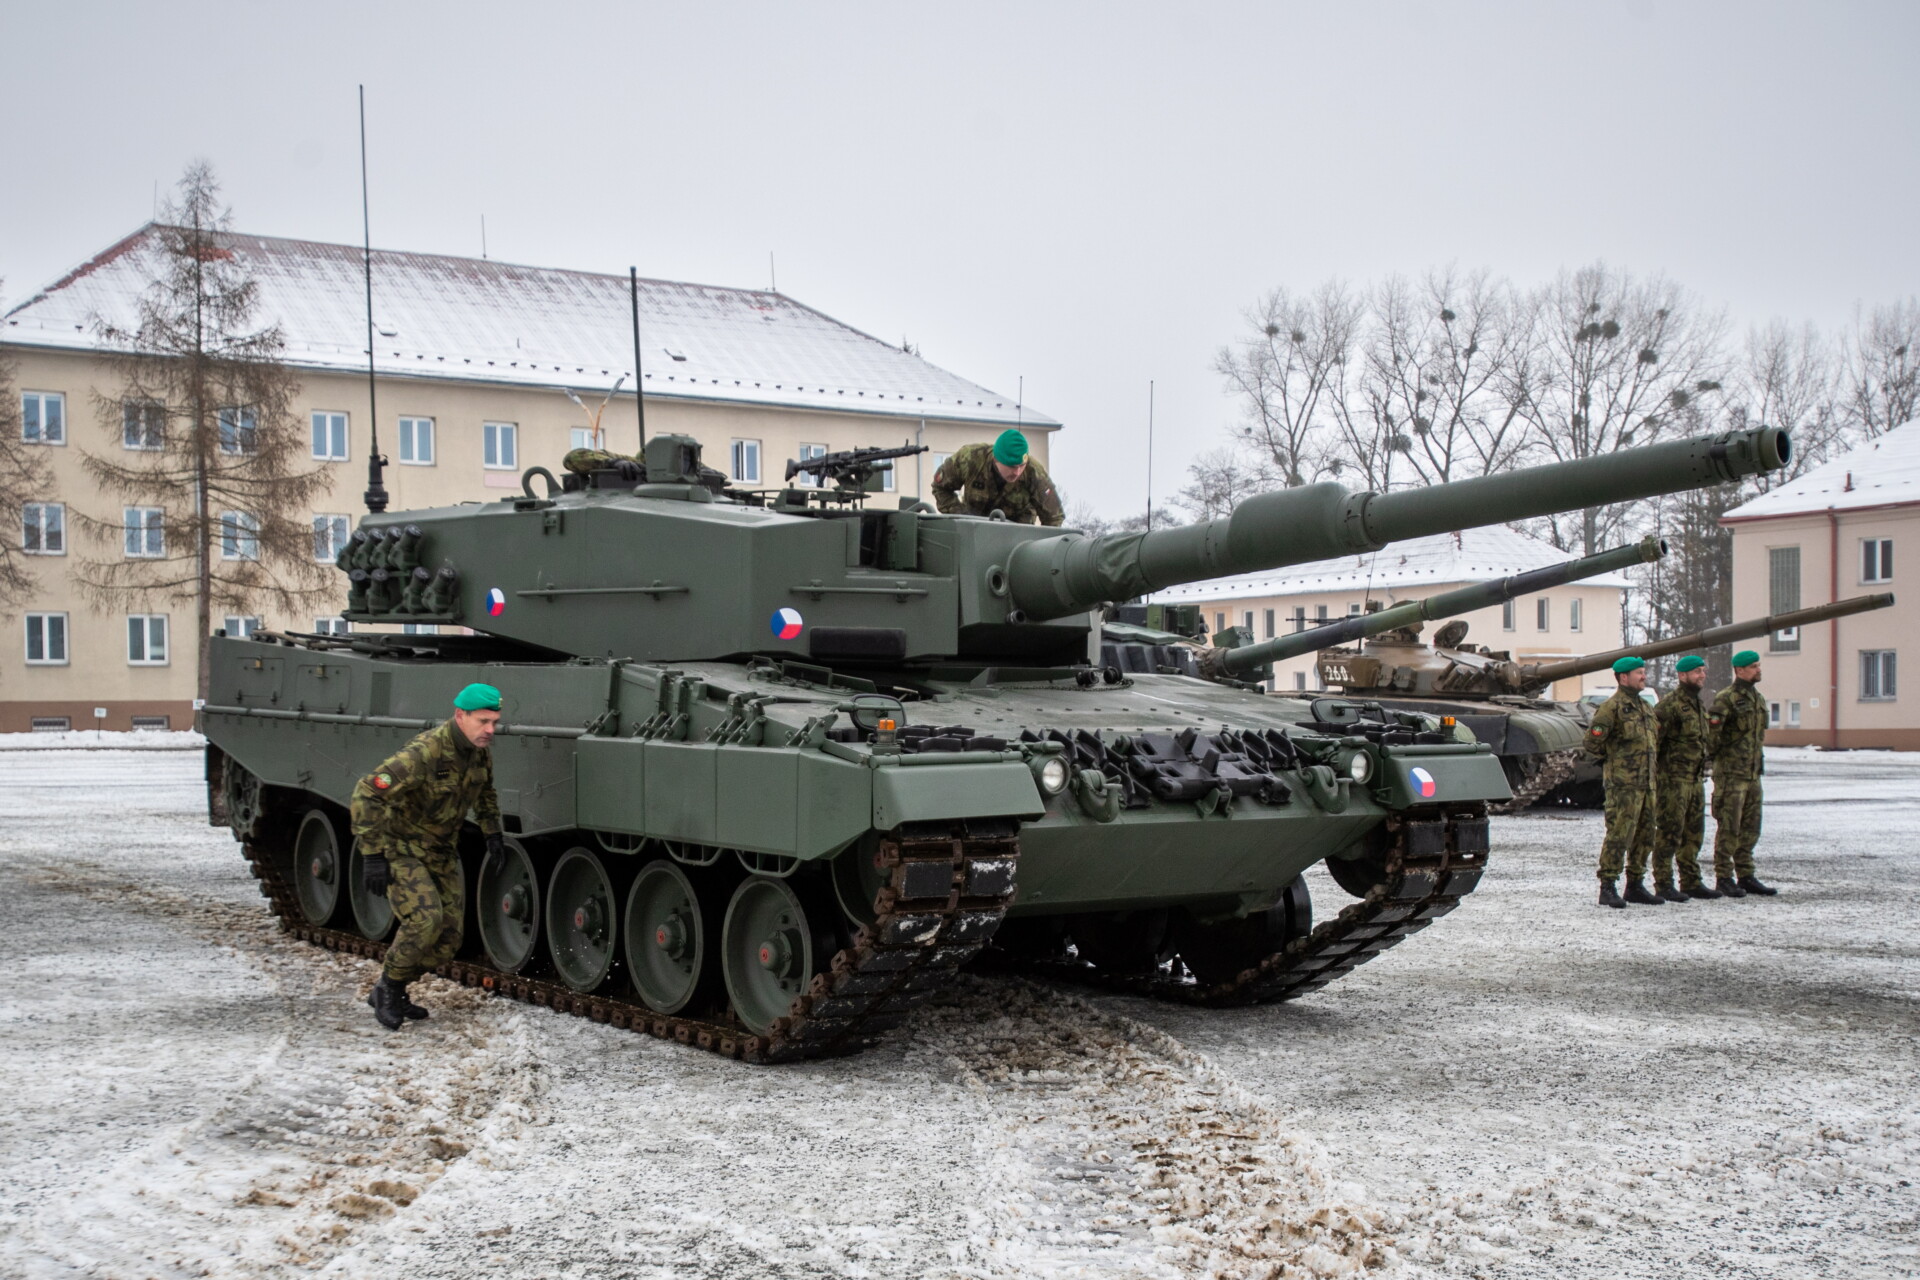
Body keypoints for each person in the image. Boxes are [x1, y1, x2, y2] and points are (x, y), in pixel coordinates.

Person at [350, 682, 508, 1030]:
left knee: (448, 941)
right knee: (425, 921)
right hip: (402, 849)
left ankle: (395, 987)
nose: (490, 730)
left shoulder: (478, 752)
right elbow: (367, 792)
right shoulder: (425, 752)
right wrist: (373, 854)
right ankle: (388, 989)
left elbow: (484, 792)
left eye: (495, 722)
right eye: (483, 721)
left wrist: (491, 831)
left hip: (440, 851)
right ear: (460, 715)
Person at [1586, 655, 1661, 909]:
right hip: (1623, 786)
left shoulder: (1645, 708)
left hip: (1647, 784)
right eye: (1639, 673)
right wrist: (1616, 764)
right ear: (1623, 677)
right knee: (1619, 835)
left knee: (1645, 835)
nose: (1643, 676)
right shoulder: (1611, 708)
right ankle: (1608, 886)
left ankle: (1635, 885)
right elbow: (1592, 743)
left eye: (1643, 672)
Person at [1707, 650, 1777, 898]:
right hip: (1731, 775)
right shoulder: (1726, 699)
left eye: (1758, 665)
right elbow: (1712, 738)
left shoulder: (1757, 699)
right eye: (1753, 666)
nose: (1758, 670)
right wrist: (1720, 764)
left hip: (1752, 774)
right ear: (1739, 670)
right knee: (1729, 826)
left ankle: (1746, 874)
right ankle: (1724, 876)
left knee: (1751, 826)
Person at [1653, 654, 1716, 901]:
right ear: (1682, 676)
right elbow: (1655, 744)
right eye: (1697, 672)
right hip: (1673, 781)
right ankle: (1664, 883)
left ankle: (1690, 881)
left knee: (1693, 832)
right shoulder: (1669, 707)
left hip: (1694, 779)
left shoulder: (1697, 704)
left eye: (1703, 671)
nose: (1702, 675)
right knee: (1669, 832)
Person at [930, 429, 1065, 526]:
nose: (1017, 472)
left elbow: (1054, 517)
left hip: (1017, 537)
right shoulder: (971, 459)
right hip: (973, 531)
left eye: (1021, 465)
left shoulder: (1034, 472)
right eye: (1012, 466)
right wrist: (962, 515)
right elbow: (940, 488)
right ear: (996, 460)